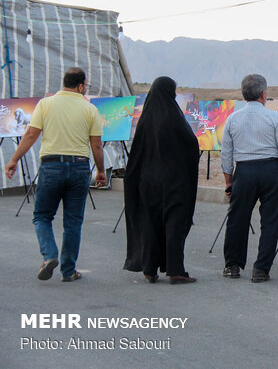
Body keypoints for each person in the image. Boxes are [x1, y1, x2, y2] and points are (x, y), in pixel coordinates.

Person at [4, 67, 106, 282]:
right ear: (80, 86)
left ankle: (49, 255)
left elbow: (31, 134)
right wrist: (101, 171)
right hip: (79, 168)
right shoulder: (90, 110)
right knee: (73, 222)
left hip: (51, 167)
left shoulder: (46, 104)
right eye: (85, 85)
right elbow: (96, 146)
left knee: (42, 216)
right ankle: (68, 271)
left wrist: (14, 160)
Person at [221, 74, 278, 283]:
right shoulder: (273, 118)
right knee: (271, 221)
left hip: (244, 172)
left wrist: (229, 181)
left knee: (237, 219)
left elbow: (226, 154)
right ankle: (261, 269)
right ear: (264, 94)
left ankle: (232, 266)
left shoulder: (232, 118)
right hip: (271, 171)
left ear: (244, 95)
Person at [123, 76, 200, 284]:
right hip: (174, 180)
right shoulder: (174, 117)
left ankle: (149, 269)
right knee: (174, 222)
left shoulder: (145, 119)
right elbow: (192, 144)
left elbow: (137, 153)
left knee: (149, 222)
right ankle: (175, 269)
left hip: (147, 181)